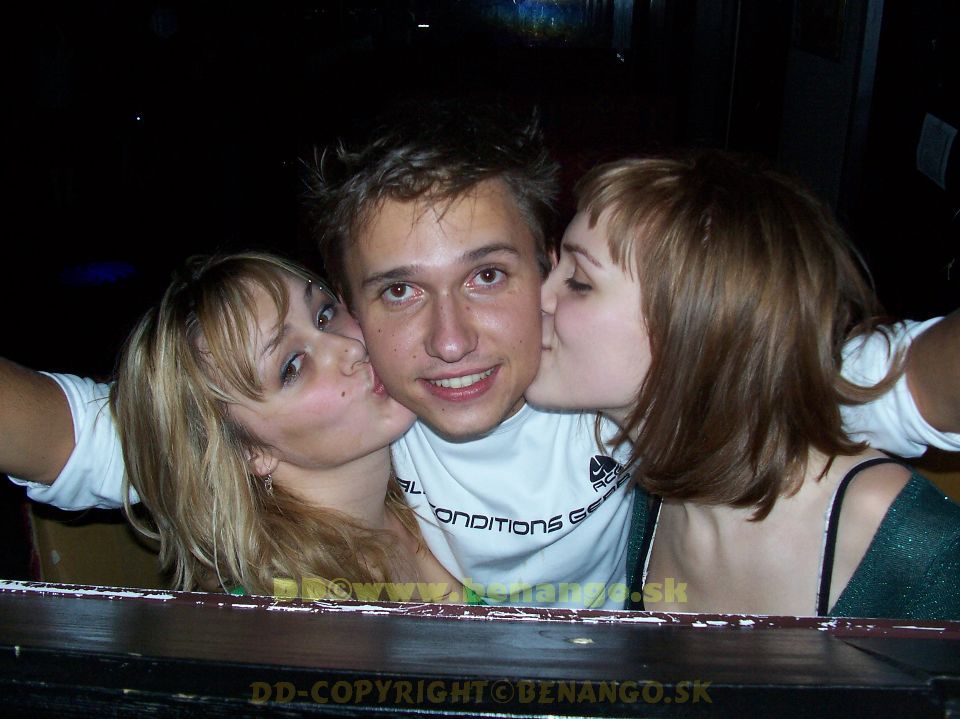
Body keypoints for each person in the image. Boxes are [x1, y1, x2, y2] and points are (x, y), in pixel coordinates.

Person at [5, 101, 960, 609]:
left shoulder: (625, 369)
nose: (451, 340)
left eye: (490, 275)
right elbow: (83, 434)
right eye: (398, 291)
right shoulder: (346, 421)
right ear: (356, 308)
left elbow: (889, 376)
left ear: (550, 270)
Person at [526, 150, 960, 618]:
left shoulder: (909, 550)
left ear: (698, 327)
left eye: (580, 282)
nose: (539, 296)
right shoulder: (638, 497)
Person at [4, 251, 464, 601]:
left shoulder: (434, 467)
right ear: (249, 452)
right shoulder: (294, 618)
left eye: (324, 314)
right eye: (291, 366)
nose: (349, 347)